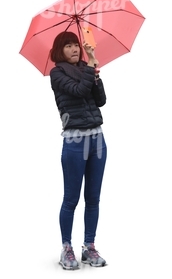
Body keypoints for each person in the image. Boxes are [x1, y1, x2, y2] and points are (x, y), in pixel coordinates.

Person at [49, 31, 107, 270]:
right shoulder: (57, 73)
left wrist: (96, 75)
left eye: (76, 45)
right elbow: (78, 91)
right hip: (74, 142)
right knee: (71, 198)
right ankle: (66, 248)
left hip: (98, 141)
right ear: (59, 51)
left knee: (93, 198)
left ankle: (89, 246)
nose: (74, 49)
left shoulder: (86, 68)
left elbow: (100, 100)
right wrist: (90, 70)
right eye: (68, 46)